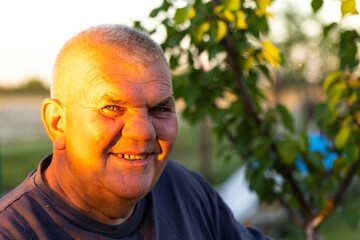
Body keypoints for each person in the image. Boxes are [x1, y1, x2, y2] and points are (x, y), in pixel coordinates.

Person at [0, 24, 272, 240]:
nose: (142, 132)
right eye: (112, 107)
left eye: (159, 109)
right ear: (57, 122)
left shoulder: (184, 191)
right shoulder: (15, 232)